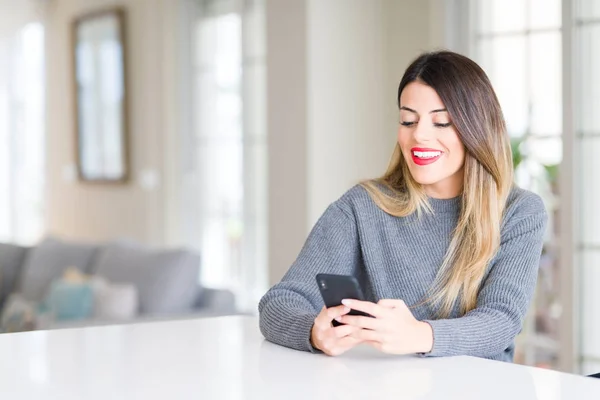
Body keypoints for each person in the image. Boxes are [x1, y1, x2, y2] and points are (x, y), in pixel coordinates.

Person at [258, 50, 547, 362]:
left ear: (476, 128)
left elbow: (501, 321)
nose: (419, 134)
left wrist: (419, 335)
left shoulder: (519, 211)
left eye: (442, 122)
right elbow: (278, 303)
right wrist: (314, 332)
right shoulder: (361, 207)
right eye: (408, 120)